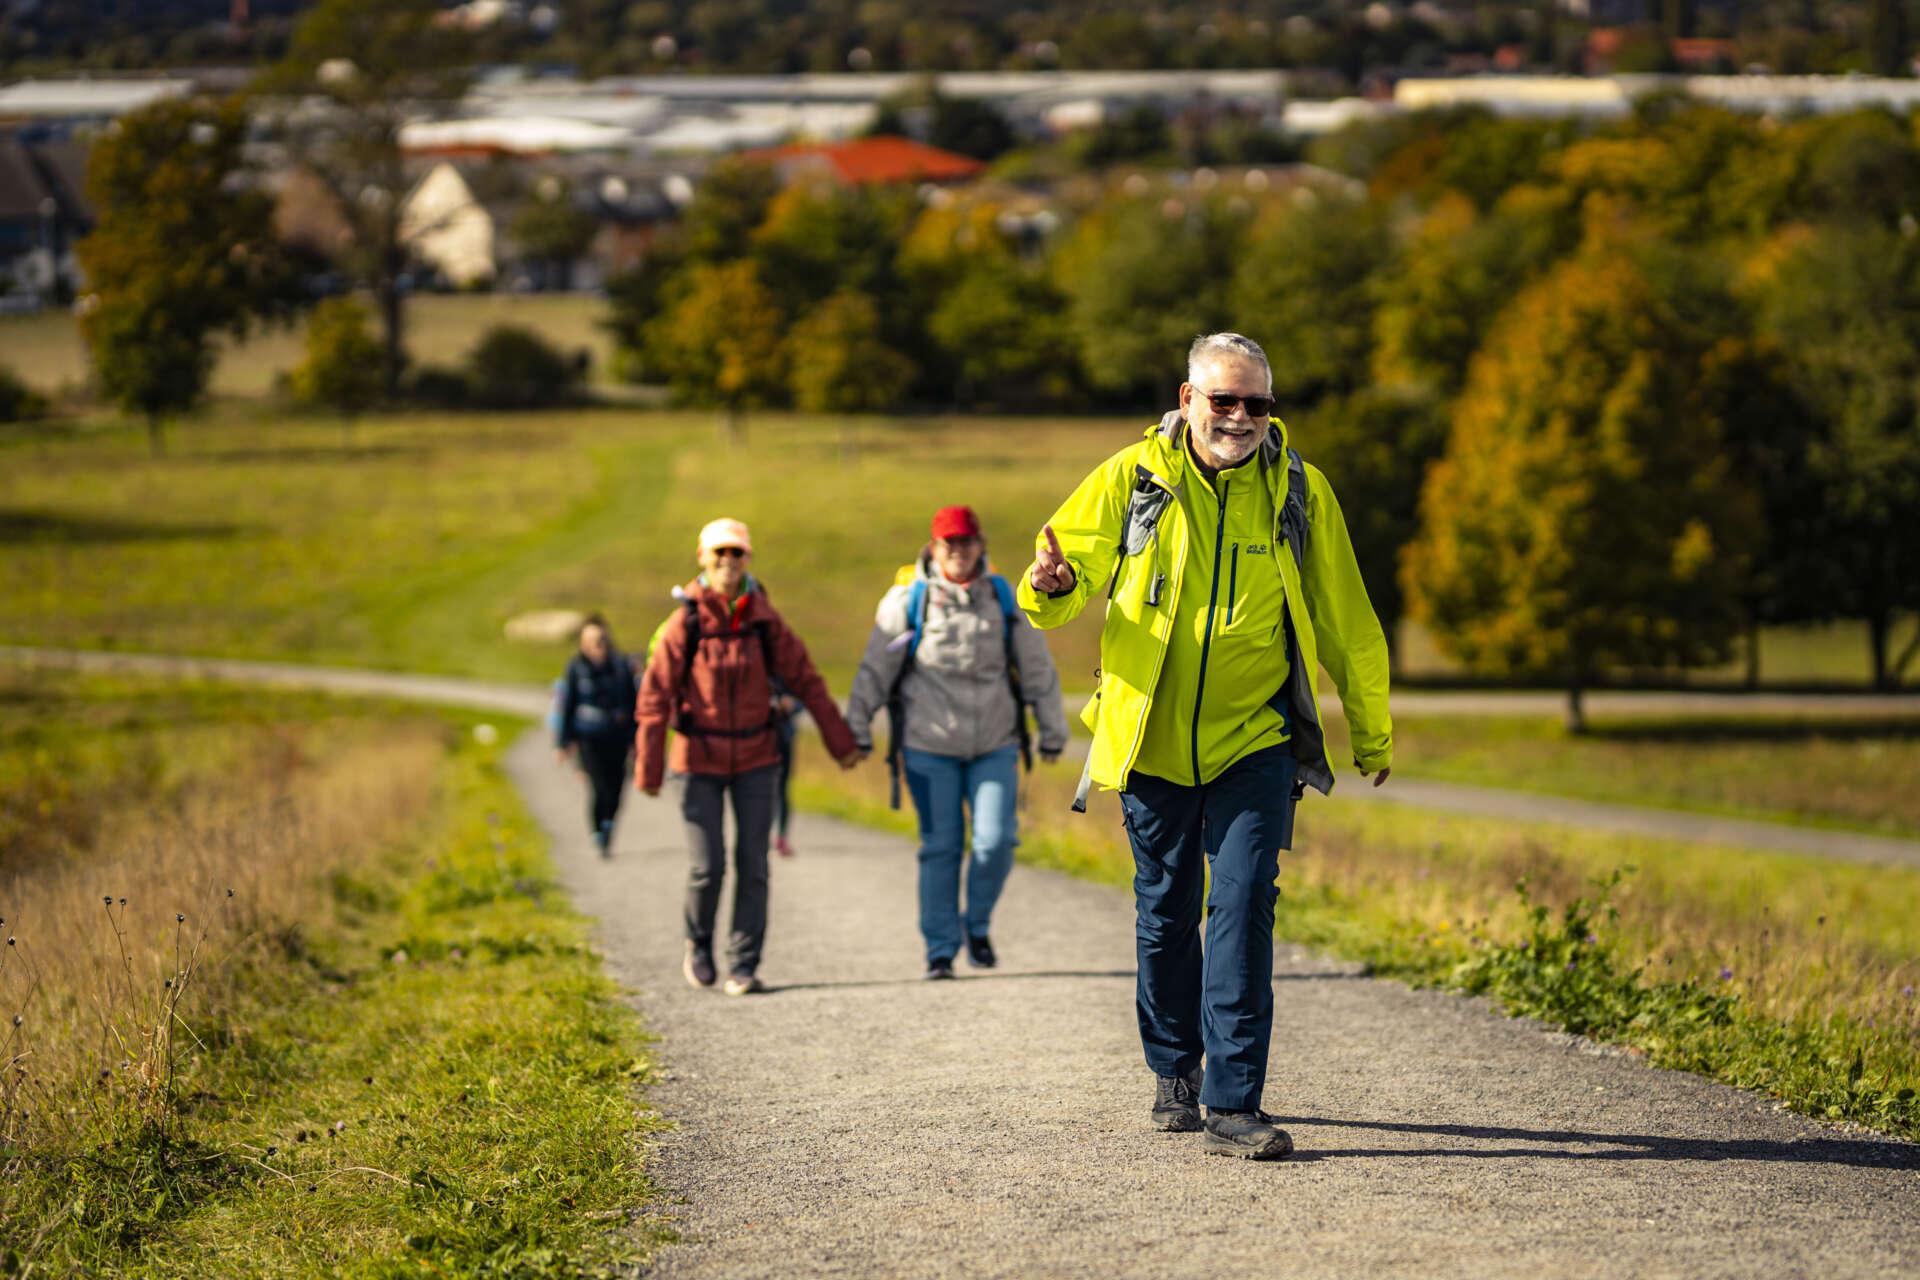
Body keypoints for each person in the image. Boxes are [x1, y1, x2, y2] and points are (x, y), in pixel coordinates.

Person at [1018, 333, 1393, 1160]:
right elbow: (1058, 577)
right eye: (1224, 399)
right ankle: (1173, 1071)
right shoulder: (1132, 478)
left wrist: (1370, 729)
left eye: (1257, 402)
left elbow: (1347, 617)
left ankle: (1233, 1102)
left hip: (1253, 741)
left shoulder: (1300, 491)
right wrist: (1049, 587)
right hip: (1148, 739)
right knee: (1165, 913)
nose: (1241, 417)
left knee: (1245, 904)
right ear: (1188, 400)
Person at [637, 517, 861, 996]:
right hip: (697, 761)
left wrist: (839, 743)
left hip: (757, 758)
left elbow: (806, 680)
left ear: (747, 559)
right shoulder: (687, 622)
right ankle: (698, 945)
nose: (727, 562)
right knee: (707, 865)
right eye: (719, 553)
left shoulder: (764, 620)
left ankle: (743, 964)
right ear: (702, 558)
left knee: (754, 863)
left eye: (736, 553)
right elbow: (655, 696)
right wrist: (649, 767)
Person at [846, 505, 1070, 980]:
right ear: (933, 547)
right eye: (949, 542)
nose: (958, 550)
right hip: (929, 747)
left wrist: (1052, 729)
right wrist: (857, 727)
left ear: (980, 544)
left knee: (995, 842)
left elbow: (1036, 668)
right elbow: (874, 670)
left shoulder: (1004, 596)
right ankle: (941, 950)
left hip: (995, 743)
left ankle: (978, 926)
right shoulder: (908, 600)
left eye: (966, 541)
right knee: (942, 847)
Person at [553, 614, 638, 858]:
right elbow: (567, 706)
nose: (597, 645)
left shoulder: (622, 666)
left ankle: (609, 823)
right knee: (599, 786)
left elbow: (633, 705)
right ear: (582, 642)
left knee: (617, 788)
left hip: (617, 736)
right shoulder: (576, 668)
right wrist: (563, 743)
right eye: (591, 640)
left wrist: (636, 740)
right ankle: (598, 830)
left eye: (601, 639)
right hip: (588, 737)